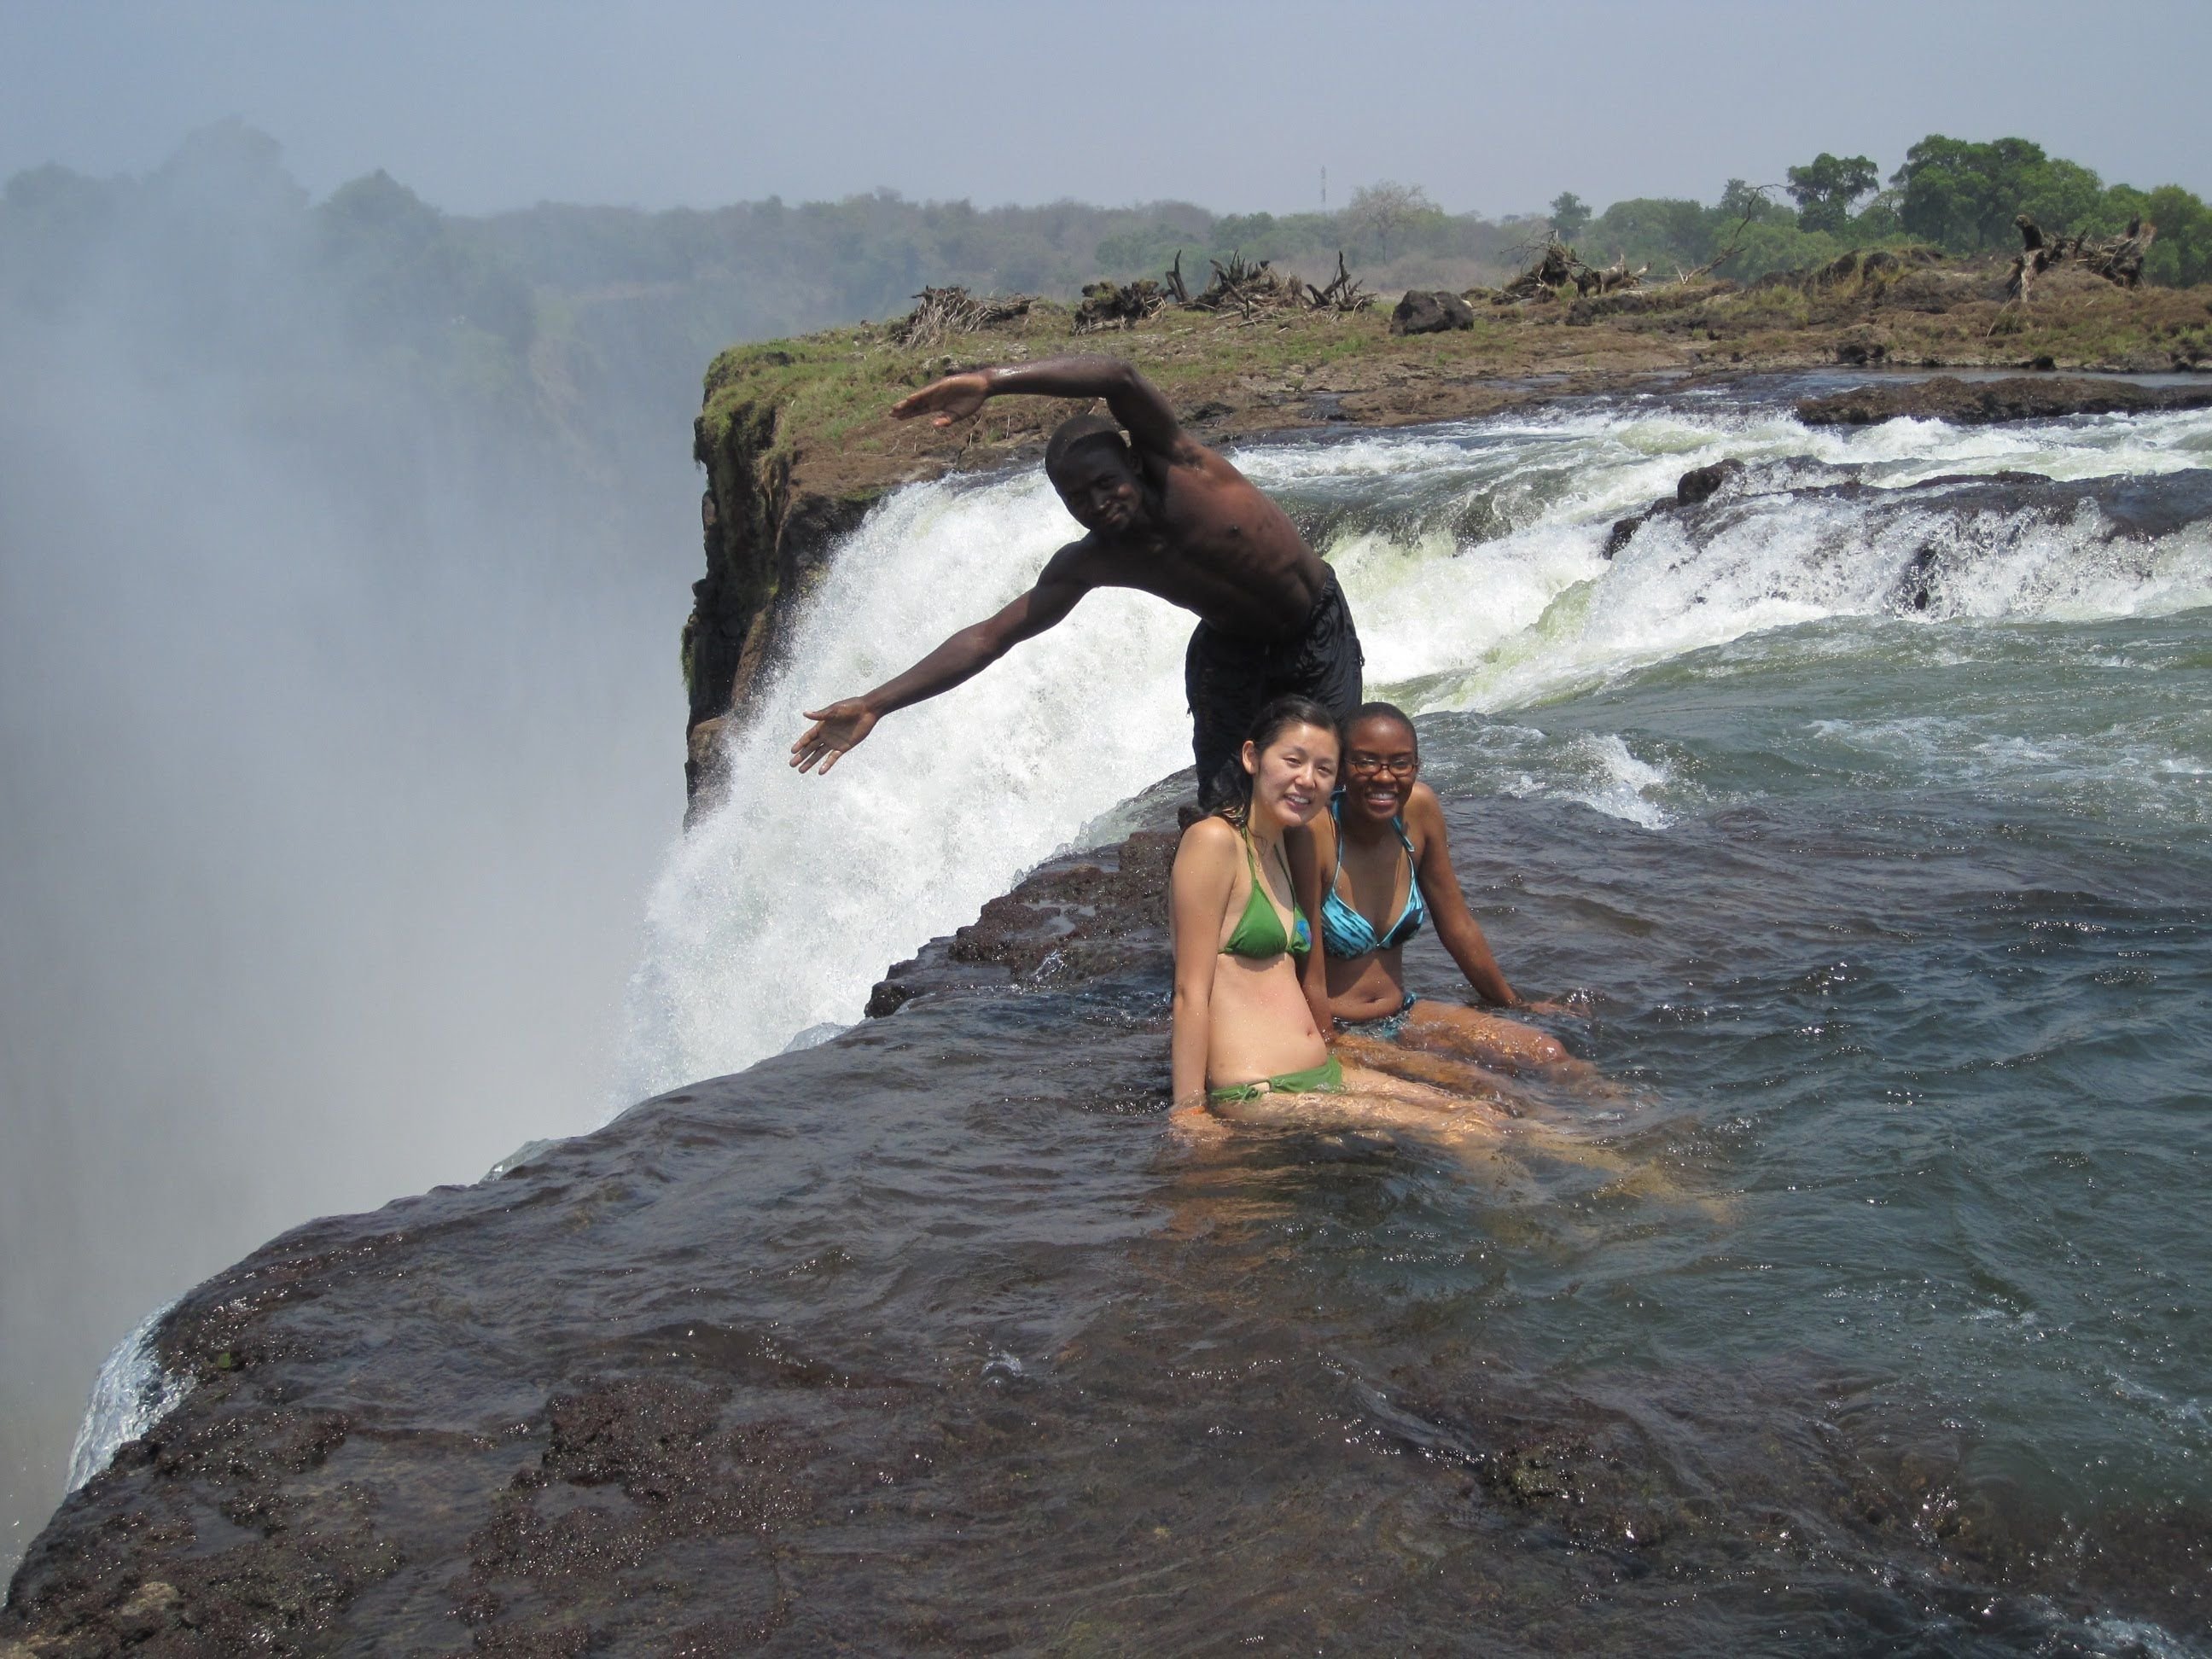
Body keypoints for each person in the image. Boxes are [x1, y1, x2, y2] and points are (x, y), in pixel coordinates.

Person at [788, 356, 1362, 807]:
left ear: (1133, 465)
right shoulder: (1093, 560)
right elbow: (990, 637)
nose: (1098, 504)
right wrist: (876, 703)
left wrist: (993, 380)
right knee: (1227, 809)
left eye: (1105, 484)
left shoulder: (1182, 467)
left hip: (1316, 630)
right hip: (1230, 657)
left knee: (1328, 796)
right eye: (1077, 499)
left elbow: (1119, 375)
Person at [1168, 696, 1458, 1134]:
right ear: (1252, 757)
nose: (1307, 780)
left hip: (1322, 1074)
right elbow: (1190, 992)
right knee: (1466, 1132)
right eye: (1293, 761)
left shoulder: (1289, 845)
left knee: (1484, 1115)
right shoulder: (1213, 841)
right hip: (1259, 1088)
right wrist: (1189, 1112)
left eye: (1324, 769)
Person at [1295, 702, 1579, 1075]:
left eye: (1400, 763)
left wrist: (1513, 1004)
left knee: (1549, 1052)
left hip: (1403, 1012)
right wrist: (1329, 1046)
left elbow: (1457, 926)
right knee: (1475, 1086)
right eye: (1366, 762)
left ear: (1416, 767)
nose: (1384, 778)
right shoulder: (1315, 831)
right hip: (1337, 1028)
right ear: (1341, 767)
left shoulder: (1421, 810)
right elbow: (1306, 968)